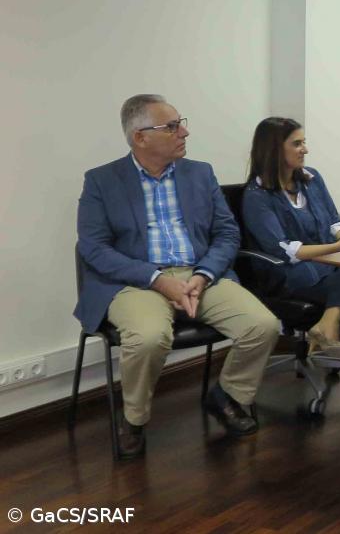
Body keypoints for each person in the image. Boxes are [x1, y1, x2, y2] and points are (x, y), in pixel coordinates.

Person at [75, 94, 281, 459]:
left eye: (180, 123)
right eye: (171, 127)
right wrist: (157, 279)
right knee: (149, 337)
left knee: (263, 326)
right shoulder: (102, 181)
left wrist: (203, 274)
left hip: (199, 275)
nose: (184, 132)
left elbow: (226, 233)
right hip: (135, 281)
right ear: (140, 137)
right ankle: (134, 419)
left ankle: (227, 396)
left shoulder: (199, 173)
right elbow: (94, 248)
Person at [242, 117, 340, 420]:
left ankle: (328, 322)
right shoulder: (256, 196)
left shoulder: (311, 179)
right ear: (274, 149)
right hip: (288, 274)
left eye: (303, 142)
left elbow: (333, 221)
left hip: (330, 267)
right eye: (297, 143)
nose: (305, 149)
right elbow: (287, 251)